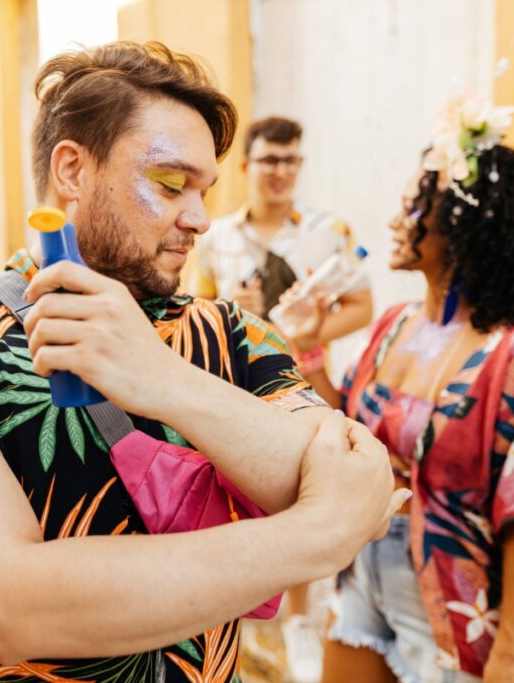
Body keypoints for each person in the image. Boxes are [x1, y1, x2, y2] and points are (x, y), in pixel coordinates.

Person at [0, 41, 408, 682]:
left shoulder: (234, 333)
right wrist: (321, 534)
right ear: (73, 172)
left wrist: (163, 378)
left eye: (205, 191)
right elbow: (9, 606)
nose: (198, 218)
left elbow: (356, 471)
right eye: (170, 183)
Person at [296, 96, 514, 683]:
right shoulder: (393, 324)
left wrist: (511, 653)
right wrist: (309, 349)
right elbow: (347, 428)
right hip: (361, 571)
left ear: (464, 227)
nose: (396, 221)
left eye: (413, 207)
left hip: (456, 593)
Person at [187, 116, 374, 682]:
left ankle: (296, 623)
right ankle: (229, 625)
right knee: (230, 496)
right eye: (270, 160)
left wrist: (314, 331)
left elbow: (361, 307)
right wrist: (232, 308)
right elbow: (196, 310)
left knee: (303, 491)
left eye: (292, 161)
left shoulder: (329, 231)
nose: (282, 172)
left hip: (308, 383)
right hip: (237, 390)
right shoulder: (214, 235)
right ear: (246, 167)